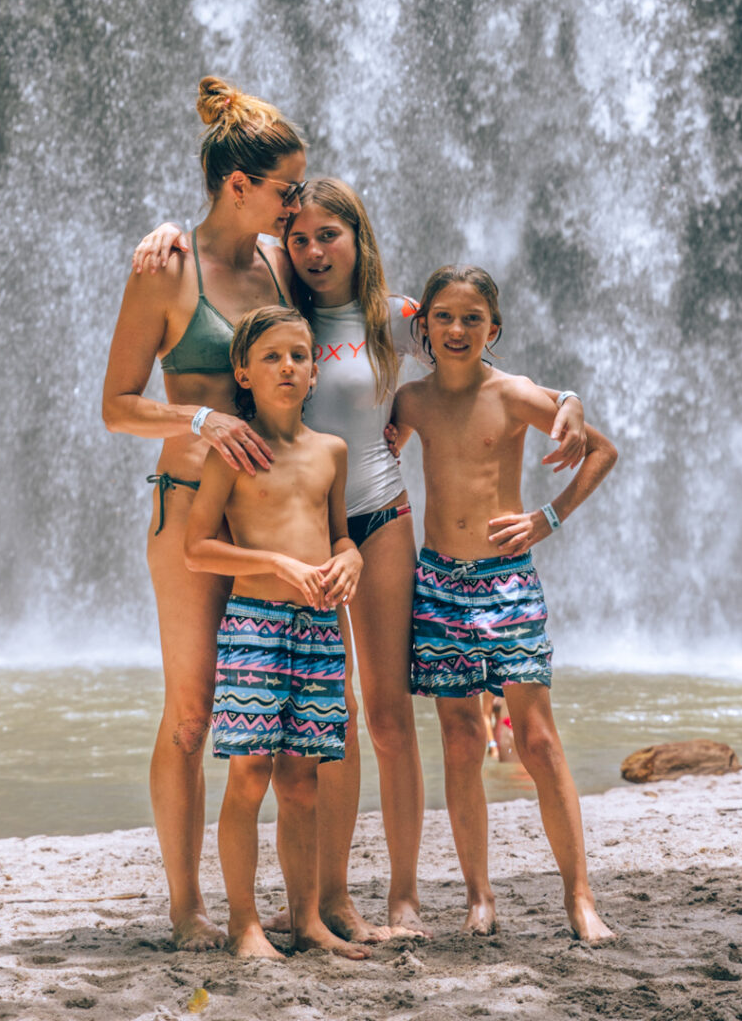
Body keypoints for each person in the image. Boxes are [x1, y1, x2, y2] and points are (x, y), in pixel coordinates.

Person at [130, 184, 591, 940]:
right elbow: (224, 243)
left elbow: (472, 351)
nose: (314, 251)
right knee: (323, 716)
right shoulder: (284, 304)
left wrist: (564, 396)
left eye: (330, 236)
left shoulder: (395, 316)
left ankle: (399, 897)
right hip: (305, 531)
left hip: (377, 522)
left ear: (357, 236)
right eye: (302, 237)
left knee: (382, 716)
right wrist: (166, 229)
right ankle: (313, 897)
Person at [100, 78, 308, 950]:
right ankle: (186, 905)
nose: (297, 202)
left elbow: (359, 313)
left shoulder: (280, 262)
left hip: (272, 521)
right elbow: (115, 404)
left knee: (285, 715)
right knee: (192, 716)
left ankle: (283, 906)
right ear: (238, 185)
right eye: (285, 188)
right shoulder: (166, 266)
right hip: (188, 510)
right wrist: (199, 417)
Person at [389, 263, 618, 945]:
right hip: (437, 583)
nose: (457, 330)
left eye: (471, 318)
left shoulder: (516, 395)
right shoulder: (412, 402)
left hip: (508, 581)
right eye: (443, 317)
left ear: (495, 328)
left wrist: (549, 518)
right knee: (460, 743)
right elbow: (373, 462)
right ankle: (479, 896)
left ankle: (580, 897)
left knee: (539, 741)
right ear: (422, 326)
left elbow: (601, 451)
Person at [184, 303, 368, 962]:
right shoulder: (234, 453)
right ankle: (244, 925)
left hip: (319, 629)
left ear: (315, 372)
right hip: (256, 627)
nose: (287, 367)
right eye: (271, 357)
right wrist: (273, 563)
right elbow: (196, 547)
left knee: (301, 781)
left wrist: (351, 558)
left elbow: (342, 532)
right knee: (250, 772)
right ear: (244, 370)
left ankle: (308, 921)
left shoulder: (331, 452)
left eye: (298, 356)